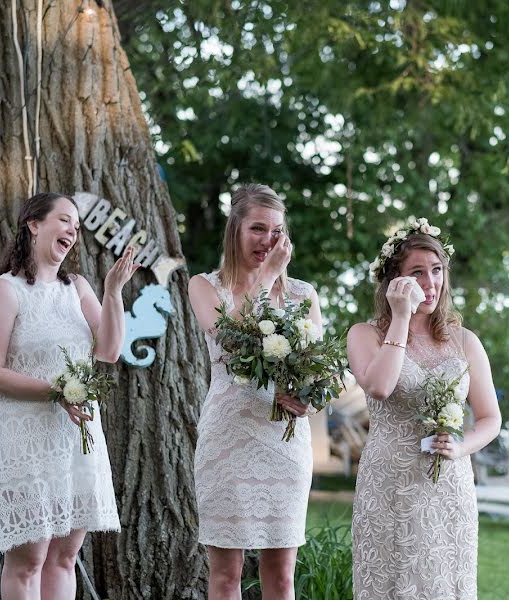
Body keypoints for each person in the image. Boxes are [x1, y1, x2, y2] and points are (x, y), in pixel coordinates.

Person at [0, 192, 138, 600]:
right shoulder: (3, 291)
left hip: (74, 437)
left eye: (77, 227)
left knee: (65, 556)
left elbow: (109, 351)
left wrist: (113, 291)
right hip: (23, 436)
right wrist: (56, 392)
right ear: (33, 224)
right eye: (64, 221)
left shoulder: (76, 287)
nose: (72, 231)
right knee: (28, 561)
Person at [348, 218, 502, 599]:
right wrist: (400, 317)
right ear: (393, 282)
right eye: (417, 273)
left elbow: (490, 418)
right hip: (389, 485)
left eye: (436, 271)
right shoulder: (364, 335)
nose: (430, 283)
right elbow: (381, 387)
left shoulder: (465, 341)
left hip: (449, 487)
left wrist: (462, 446)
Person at [188, 184, 321, 600]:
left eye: (277, 231)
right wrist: (264, 279)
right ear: (235, 230)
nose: (269, 240)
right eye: (258, 229)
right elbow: (231, 340)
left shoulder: (303, 295)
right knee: (226, 574)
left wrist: (307, 399)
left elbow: (316, 370)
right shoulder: (205, 287)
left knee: (280, 576)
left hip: (284, 444)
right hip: (227, 438)